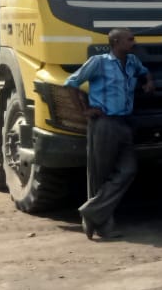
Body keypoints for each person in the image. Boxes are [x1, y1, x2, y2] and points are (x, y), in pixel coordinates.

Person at [65, 27, 154, 240]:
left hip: (125, 123)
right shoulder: (99, 62)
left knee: (129, 170)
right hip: (104, 123)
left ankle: (91, 210)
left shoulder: (132, 61)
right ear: (116, 42)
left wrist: (149, 82)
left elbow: (145, 72)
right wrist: (84, 111)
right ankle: (101, 225)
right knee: (99, 175)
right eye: (129, 39)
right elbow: (71, 83)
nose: (133, 42)